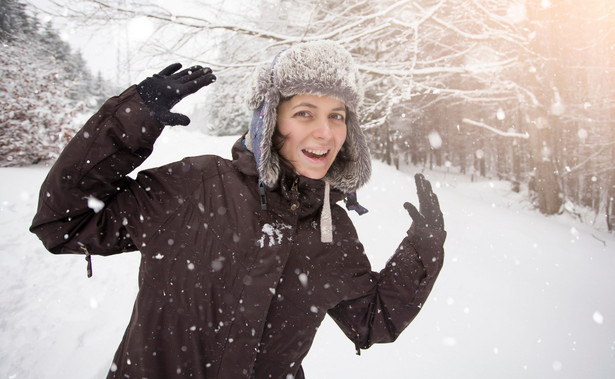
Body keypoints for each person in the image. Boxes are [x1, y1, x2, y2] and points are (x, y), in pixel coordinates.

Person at [30, 40, 446, 378]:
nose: (325, 132)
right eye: (305, 112)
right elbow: (64, 223)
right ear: (268, 119)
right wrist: (132, 117)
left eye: (337, 116)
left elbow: (371, 321)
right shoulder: (196, 186)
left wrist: (422, 248)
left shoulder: (330, 230)